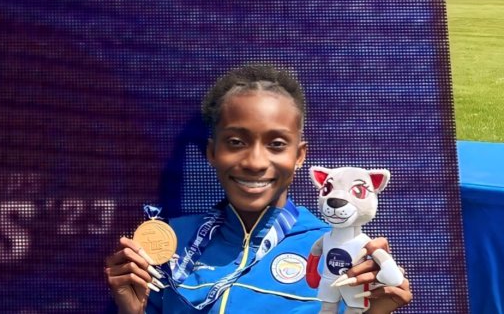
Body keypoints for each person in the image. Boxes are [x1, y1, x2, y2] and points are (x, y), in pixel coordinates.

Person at [105, 64, 413, 313]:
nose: (254, 162)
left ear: (299, 156)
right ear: (212, 153)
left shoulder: (338, 250)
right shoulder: (171, 242)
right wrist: (131, 310)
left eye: (276, 144)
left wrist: (375, 313)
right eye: (236, 142)